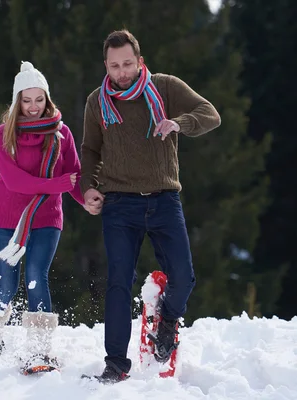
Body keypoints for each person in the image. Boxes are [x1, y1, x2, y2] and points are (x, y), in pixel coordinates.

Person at [80, 29, 221, 383]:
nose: (122, 71)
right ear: (106, 66)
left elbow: (210, 114)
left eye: (128, 63)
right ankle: (115, 365)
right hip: (119, 205)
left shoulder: (165, 87)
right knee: (117, 283)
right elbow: (90, 150)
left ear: (139, 61)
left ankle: (167, 321)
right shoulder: (97, 101)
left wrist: (179, 123)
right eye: (115, 66)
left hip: (163, 200)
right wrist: (88, 188)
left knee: (184, 277)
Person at [0, 61, 85, 371]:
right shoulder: (2, 135)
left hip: (47, 216)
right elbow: (14, 181)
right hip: (6, 218)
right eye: (26, 100)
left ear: (47, 99)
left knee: (36, 276)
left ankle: (39, 350)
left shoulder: (61, 133)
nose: (33, 107)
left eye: (39, 99)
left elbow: (73, 172)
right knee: (6, 285)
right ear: (16, 100)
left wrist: (86, 199)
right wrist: (57, 185)